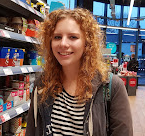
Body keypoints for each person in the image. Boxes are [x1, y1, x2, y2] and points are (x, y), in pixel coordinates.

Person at [26, 8, 133, 136]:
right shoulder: (42, 85)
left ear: (86, 43)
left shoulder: (111, 87)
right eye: (57, 37)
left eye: (73, 37)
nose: (63, 43)